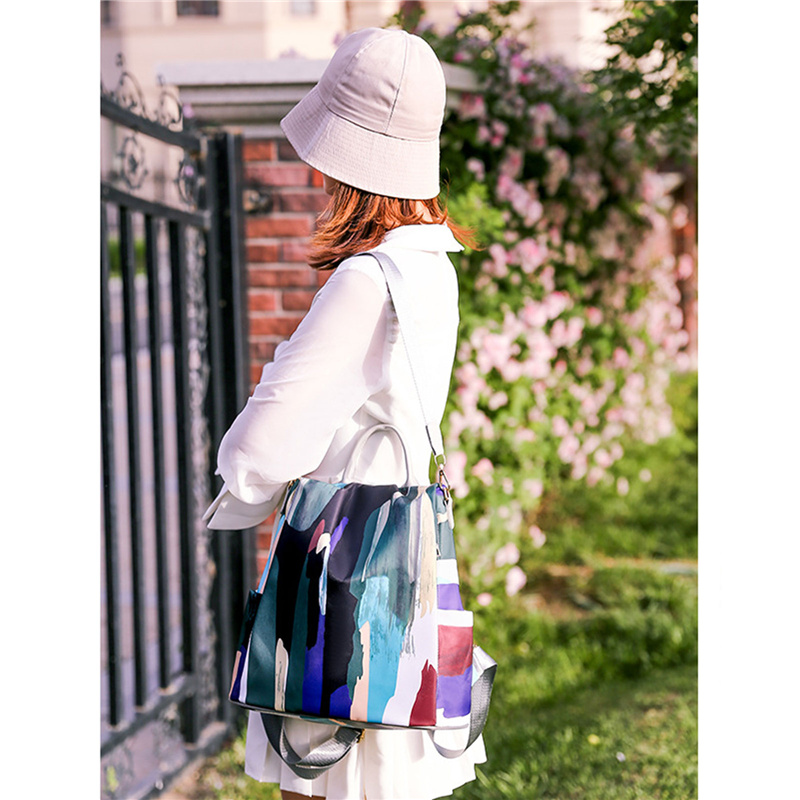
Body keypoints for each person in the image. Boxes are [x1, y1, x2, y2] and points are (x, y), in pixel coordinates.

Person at [204, 27, 486, 800]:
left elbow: (264, 441)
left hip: (345, 583)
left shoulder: (367, 280)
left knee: (329, 772)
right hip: (408, 569)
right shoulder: (432, 266)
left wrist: (239, 490)